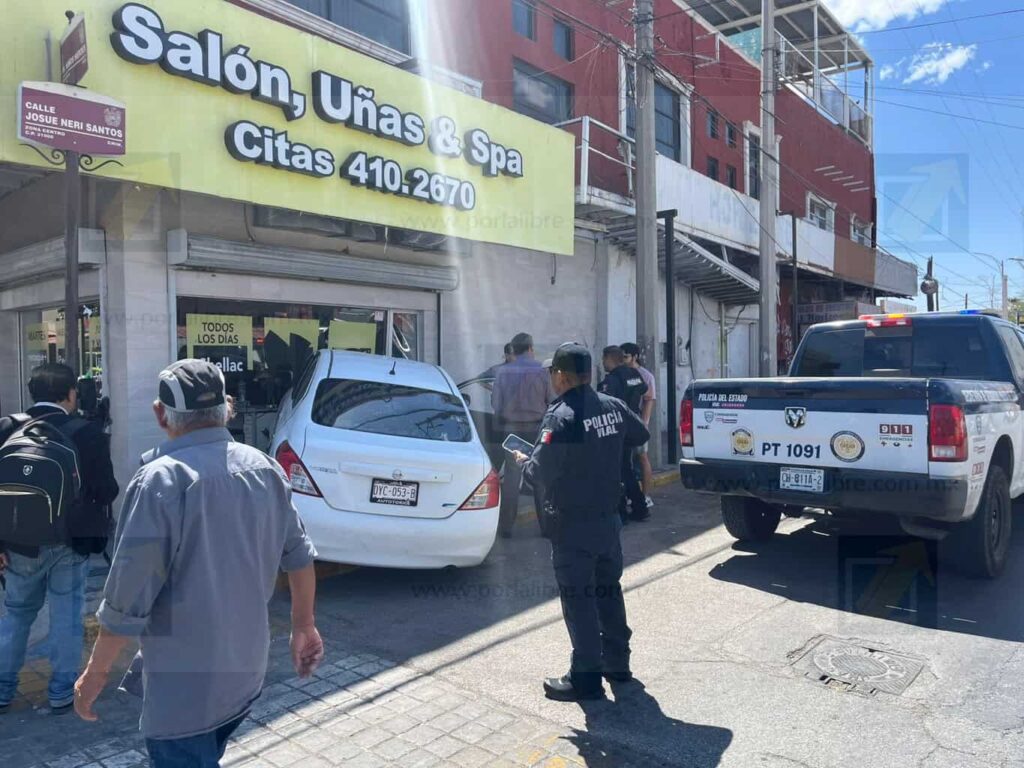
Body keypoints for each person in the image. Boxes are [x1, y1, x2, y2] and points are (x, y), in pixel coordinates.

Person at [73, 360, 323, 767]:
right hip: (245, 673)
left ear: (160, 413)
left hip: (183, 692)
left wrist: (94, 675)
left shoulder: (161, 480)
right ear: (226, 407)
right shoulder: (265, 469)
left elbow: (127, 600)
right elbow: (298, 557)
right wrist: (303, 627)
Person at [518, 342, 648, 701]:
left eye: (552, 374)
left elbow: (538, 473)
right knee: (608, 592)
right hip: (609, 521)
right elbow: (640, 435)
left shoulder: (562, 417)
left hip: (574, 527)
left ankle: (586, 678)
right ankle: (618, 665)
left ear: (561, 376)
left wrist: (521, 461)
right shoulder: (612, 406)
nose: (552, 379)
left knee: (579, 602)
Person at [0, 363, 119, 714]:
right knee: (66, 615)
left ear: (32, 392)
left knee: (17, 614)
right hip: (71, 542)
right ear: (70, 395)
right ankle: (61, 692)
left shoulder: (7, 427)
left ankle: (3, 689)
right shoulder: (87, 432)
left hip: (18, 545)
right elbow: (107, 490)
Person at [492, 332, 554, 537]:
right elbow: (551, 400)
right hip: (537, 429)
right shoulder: (543, 371)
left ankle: (507, 528)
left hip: (512, 430)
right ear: (530, 348)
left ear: (513, 351)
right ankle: (546, 526)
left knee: (511, 478)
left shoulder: (503, 372)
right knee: (541, 475)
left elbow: (496, 404)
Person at [598, 346, 650, 523]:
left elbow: (604, 403)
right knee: (626, 469)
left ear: (610, 359)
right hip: (632, 426)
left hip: (616, 428)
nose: (602, 363)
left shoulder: (612, 380)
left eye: (604, 359)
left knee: (616, 471)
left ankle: (622, 512)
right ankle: (639, 507)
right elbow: (644, 390)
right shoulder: (634, 374)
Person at [621, 342, 656, 507]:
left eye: (626, 356)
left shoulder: (645, 376)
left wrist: (644, 423)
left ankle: (646, 495)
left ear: (635, 357)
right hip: (622, 424)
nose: (623, 359)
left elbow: (649, 400)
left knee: (642, 457)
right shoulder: (621, 373)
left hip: (637, 422)